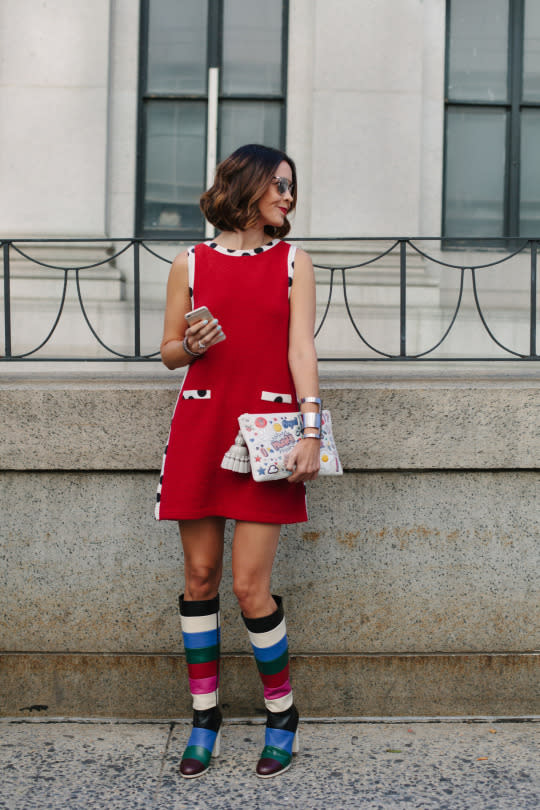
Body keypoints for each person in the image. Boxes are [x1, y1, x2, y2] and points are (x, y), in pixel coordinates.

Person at [155, 143, 321, 779]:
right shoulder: (189, 262)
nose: (287, 195)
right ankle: (205, 719)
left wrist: (311, 430)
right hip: (201, 425)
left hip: (268, 434)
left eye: (291, 186)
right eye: (277, 184)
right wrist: (188, 343)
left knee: (250, 588)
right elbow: (168, 350)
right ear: (245, 186)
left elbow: (301, 350)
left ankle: (282, 715)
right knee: (200, 579)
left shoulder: (293, 262)